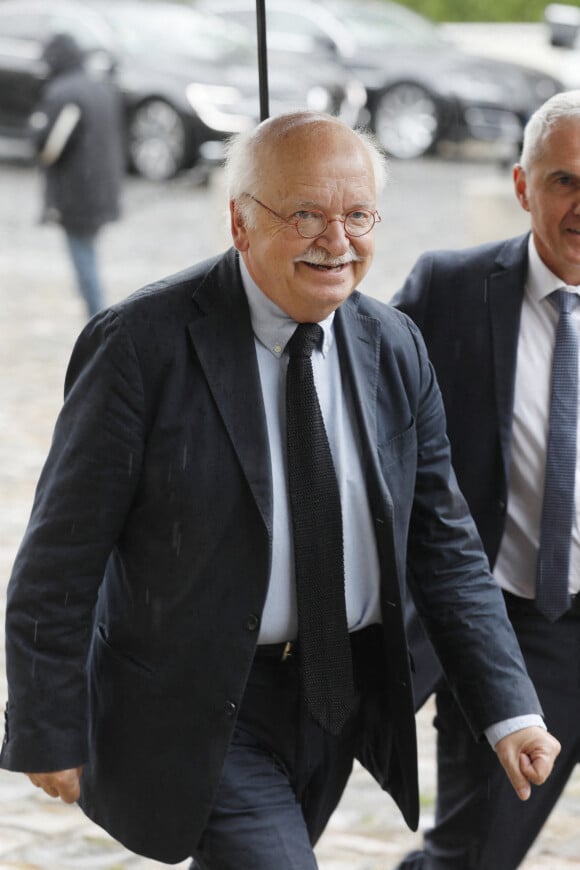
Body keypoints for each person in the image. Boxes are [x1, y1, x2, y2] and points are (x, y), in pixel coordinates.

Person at [0, 110, 560, 870]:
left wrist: (510, 711)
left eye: (358, 214)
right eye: (305, 215)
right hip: (200, 702)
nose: (337, 240)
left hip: (336, 700)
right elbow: (61, 555)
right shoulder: (141, 346)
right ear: (240, 222)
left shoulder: (395, 345)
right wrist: (45, 720)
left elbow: (446, 548)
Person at [393, 89, 580, 870]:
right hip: (513, 630)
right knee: (469, 857)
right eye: (566, 180)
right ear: (522, 185)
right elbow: (356, 414)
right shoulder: (447, 289)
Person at [28, 32, 124, 319]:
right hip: (104, 187)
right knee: (87, 253)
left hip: (77, 193)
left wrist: (34, 130)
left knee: (84, 260)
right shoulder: (101, 87)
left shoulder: (62, 92)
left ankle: (98, 320)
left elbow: (48, 145)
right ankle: (95, 312)